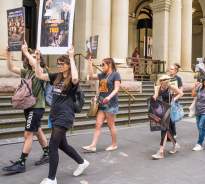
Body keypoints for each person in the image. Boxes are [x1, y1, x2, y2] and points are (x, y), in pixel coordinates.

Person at [35, 48, 89, 184]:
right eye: (58, 63)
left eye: (62, 64)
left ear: (68, 65)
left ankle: (51, 178)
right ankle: (82, 162)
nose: (59, 65)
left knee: (53, 145)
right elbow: (39, 75)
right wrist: (36, 60)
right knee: (62, 145)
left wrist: (71, 57)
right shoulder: (56, 76)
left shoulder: (72, 80)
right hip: (55, 114)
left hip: (65, 115)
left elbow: (76, 78)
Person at [2, 44, 49, 174]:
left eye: (35, 57)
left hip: (37, 107)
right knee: (37, 130)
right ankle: (47, 153)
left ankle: (22, 162)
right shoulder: (27, 72)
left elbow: (35, 65)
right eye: (31, 57)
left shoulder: (42, 71)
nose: (32, 59)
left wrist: (27, 52)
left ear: (39, 59)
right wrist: (8, 54)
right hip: (28, 106)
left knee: (28, 134)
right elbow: (11, 68)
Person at [82, 58, 121, 152]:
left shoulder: (115, 74)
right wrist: (90, 64)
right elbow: (91, 76)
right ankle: (93, 145)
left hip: (111, 104)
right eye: (101, 64)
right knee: (98, 124)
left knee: (111, 125)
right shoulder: (102, 75)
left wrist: (109, 97)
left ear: (110, 64)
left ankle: (114, 144)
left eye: (103, 64)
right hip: (102, 103)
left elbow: (116, 89)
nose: (101, 66)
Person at [151, 75, 183, 159]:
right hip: (161, 110)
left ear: (167, 81)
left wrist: (174, 99)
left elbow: (181, 93)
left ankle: (161, 152)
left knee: (164, 130)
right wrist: (154, 97)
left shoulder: (170, 87)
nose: (163, 82)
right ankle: (175, 144)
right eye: (162, 80)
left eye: (165, 80)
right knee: (167, 130)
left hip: (169, 109)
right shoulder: (157, 87)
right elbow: (155, 95)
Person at [168, 63, 183, 138]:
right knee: (167, 118)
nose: (170, 70)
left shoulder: (178, 79)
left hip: (173, 100)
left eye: (171, 69)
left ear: (175, 70)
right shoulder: (167, 78)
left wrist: (175, 99)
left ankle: (173, 133)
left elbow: (181, 91)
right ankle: (169, 133)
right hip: (166, 99)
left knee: (172, 117)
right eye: (169, 69)